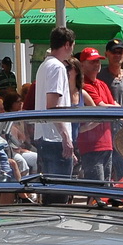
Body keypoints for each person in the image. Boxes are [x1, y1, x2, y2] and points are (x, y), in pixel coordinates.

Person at [33, 27, 77, 178]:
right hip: (54, 139)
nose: (72, 50)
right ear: (67, 45)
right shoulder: (57, 67)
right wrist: (65, 137)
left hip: (45, 138)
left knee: (49, 192)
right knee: (60, 192)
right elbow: (52, 106)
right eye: (72, 45)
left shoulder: (44, 65)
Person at [75, 48, 116, 181]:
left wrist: (115, 108)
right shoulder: (83, 85)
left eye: (98, 61)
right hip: (91, 145)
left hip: (107, 142)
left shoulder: (102, 84)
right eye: (92, 61)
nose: (96, 64)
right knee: (97, 188)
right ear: (82, 64)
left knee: (105, 187)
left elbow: (114, 106)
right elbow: (103, 107)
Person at [99, 41, 123, 107]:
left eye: (120, 52)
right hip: (105, 115)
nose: (117, 55)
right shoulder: (99, 75)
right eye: (113, 52)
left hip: (121, 115)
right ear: (106, 54)